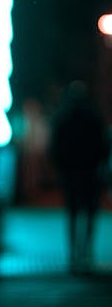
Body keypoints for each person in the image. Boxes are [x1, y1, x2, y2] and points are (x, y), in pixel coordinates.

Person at [49, 80, 109, 272]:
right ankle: (86, 252)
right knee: (89, 213)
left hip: (72, 173)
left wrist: (61, 168)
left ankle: (75, 253)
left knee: (73, 213)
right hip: (90, 173)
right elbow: (103, 146)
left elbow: (56, 147)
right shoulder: (93, 118)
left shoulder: (63, 118)